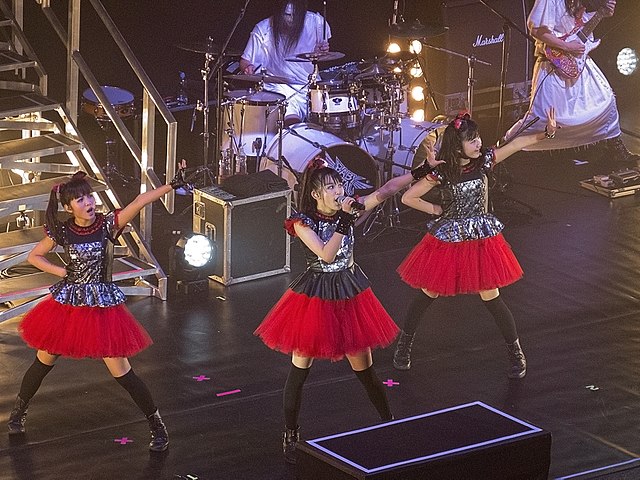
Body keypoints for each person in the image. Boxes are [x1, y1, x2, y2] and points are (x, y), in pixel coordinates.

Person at [254, 157, 434, 464]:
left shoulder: (349, 211)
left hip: (349, 293)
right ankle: (291, 432)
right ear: (315, 194)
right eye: (330, 187)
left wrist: (420, 172)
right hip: (315, 296)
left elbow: (387, 189)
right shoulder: (302, 223)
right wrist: (346, 220)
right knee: (300, 370)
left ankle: (388, 420)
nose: (338, 191)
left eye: (339, 184)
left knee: (365, 370)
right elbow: (326, 254)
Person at [6, 164, 190, 452]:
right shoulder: (64, 232)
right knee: (43, 362)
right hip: (69, 304)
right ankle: (18, 413)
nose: (88, 202)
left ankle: (157, 425)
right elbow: (35, 256)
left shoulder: (107, 224)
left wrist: (170, 186)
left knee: (123, 372)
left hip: (101, 306)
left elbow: (139, 201)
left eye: (89, 196)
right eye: (80, 200)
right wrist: (63, 273)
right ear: (68, 207)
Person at [393, 109, 557, 379]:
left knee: (492, 297)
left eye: (478, 137)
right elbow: (408, 197)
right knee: (428, 293)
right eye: (472, 139)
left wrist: (547, 133)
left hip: (480, 238)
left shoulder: (484, 162)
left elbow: (517, 144)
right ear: (458, 145)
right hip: (450, 239)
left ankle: (516, 352)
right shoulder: (442, 173)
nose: (478, 143)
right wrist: (436, 209)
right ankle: (404, 345)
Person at [505, 0, 638, 167]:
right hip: (553, 64)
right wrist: (567, 46)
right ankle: (505, 147)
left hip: (578, 61)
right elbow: (536, 30)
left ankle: (614, 148)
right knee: (543, 116)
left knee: (606, 101)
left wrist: (601, 14)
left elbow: (577, 29)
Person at [239, 0, 331, 126]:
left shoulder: (316, 22)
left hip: (311, 86)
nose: (291, 20)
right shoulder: (263, 29)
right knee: (291, 120)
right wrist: (248, 67)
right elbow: (245, 61)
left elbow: (324, 53)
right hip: (279, 88)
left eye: (295, 15)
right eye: (287, 15)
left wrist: (322, 52)